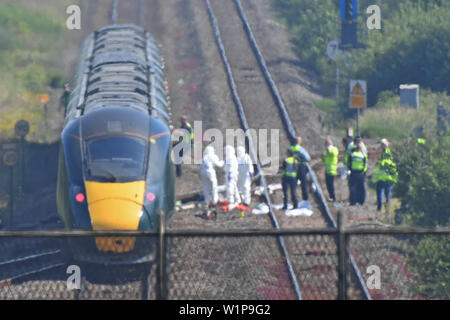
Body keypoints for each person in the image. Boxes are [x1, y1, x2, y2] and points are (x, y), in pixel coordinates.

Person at [372, 139, 398, 212]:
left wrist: (374, 179)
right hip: (389, 179)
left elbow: (377, 171)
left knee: (380, 193)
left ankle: (380, 207)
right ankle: (388, 208)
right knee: (388, 194)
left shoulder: (382, 161)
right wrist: (394, 179)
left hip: (382, 179)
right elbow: (394, 170)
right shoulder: (391, 161)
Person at [290, 136, 311, 207]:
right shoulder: (300, 149)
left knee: (293, 185)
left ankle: (294, 201)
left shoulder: (290, 148)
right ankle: (305, 200)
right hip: (301, 168)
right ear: (299, 142)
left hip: (292, 168)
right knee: (303, 184)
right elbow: (308, 158)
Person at [348, 137, 368, 206]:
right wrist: (364, 172)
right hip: (361, 173)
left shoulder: (352, 154)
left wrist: (350, 170)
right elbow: (365, 164)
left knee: (353, 187)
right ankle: (361, 201)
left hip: (353, 172)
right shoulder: (363, 155)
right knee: (361, 187)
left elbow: (349, 163)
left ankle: (353, 201)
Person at [322, 137, 339, 202]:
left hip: (332, 170)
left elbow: (333, 153)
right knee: (328, 184)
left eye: (326, 143)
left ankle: (333, 197)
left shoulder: (334, 149)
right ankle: (331, 196)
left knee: (331, 184)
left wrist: (328, 149)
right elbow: (325, 160)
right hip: (327, 170)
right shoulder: (326, 151)